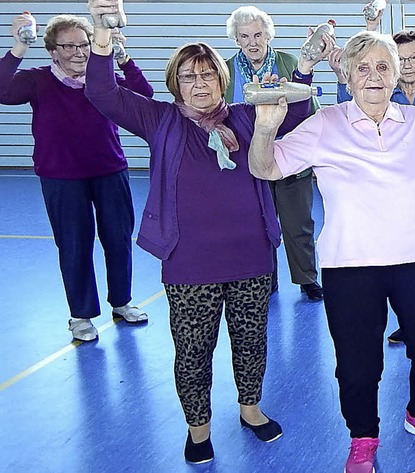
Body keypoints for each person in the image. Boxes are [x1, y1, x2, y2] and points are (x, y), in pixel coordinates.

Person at [85, 0, 322, 464]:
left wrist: (307, 68)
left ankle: (251, 410)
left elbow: (296, 116)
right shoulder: (159, 120)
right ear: (176, 82)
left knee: (251, 340)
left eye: (208, 75)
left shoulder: (245, 116)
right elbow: (103, 94)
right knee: (193, 351)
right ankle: (199, 429)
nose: (200, 84)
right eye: (190, 76)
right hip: (188, 263)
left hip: (251, 255)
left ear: (222, 79)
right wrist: (101, 34)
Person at [248, 31, 415, 473]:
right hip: (351, 263)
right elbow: (264, 167)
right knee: (358, 366)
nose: (374, 76)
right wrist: (265, 127)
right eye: (363, 68)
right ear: (347, 75)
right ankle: (362, 437)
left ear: (397, 74)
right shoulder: (325, 124)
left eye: (383, 67)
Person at [0, 12, 153, 342]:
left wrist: (124, 58)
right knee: (73, 245)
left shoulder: (104, 81)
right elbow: (2, 91)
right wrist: (17, 47)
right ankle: (81, 315)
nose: (78, 52)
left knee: (118, 239)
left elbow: (145, 96)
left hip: (110, 171)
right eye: (68, 46)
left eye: (83, 44)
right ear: (53, 50)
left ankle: (122, 302)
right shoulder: (36, 80)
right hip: (61, 176)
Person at [330, 31, 415, 351]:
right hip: (391, 204)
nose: (411, 64)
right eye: (401, 60)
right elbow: (346, 108)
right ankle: (409, 324)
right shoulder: (382, 98)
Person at [224, 6, 324, 302]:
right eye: (245, 37)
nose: (252, 42)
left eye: (258, 34)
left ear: (268, 34)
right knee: (258, 225)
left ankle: (307, 278)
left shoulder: (289, 62)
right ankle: (265, 278)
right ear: (236, 39)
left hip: (290, 159)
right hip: (249, 161)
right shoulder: (227, 70)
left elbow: (309, 114)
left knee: (298, 224)